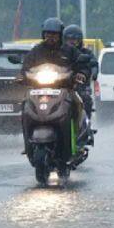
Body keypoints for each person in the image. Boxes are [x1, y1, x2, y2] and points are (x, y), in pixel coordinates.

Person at [18, 18, 89, 162]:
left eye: (54, 35)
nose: (51, 37)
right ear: (43, 35)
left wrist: (82, 74)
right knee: (24, 105)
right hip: (38, 91)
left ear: (60, 35)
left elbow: (82, 66)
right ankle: (27, 144)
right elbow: (25, 67)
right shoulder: (36, 51)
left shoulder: (69, 51)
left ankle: (77, 137)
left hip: (64, 89)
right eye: (48, 34)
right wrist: (21, 76)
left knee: (77, 104)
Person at [62, 24, 98, 120]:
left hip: (79, 84)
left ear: (80, 40)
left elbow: (93, 63)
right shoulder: (59, 52)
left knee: (85, 98)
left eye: (75, 39)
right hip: (61, 84)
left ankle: (86, 123)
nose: (72, 42)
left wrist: (93, 73)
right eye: (69, 39)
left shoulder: (86, 53)